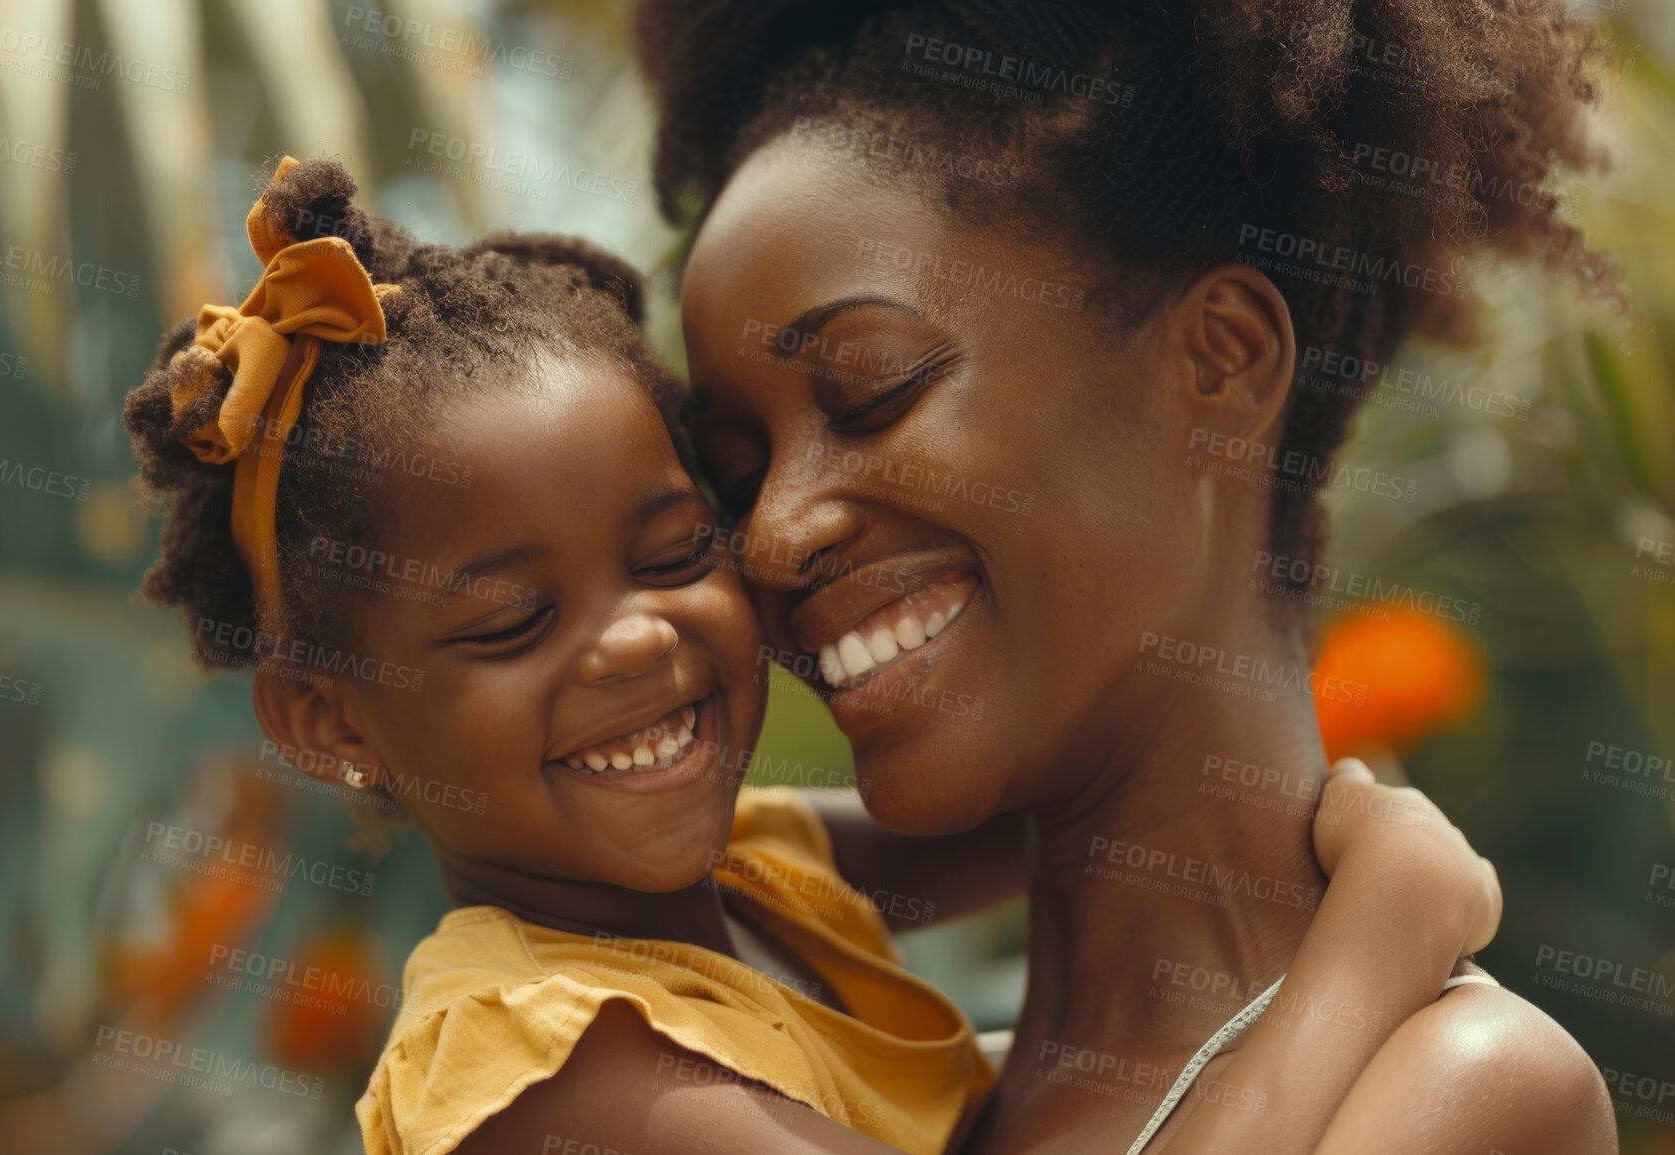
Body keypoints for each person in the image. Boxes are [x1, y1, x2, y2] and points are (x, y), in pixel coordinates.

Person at [126, 157, 1507, 1155]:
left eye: (678, 547)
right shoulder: (548, 1067)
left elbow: (1072, 776)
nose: (640, 632)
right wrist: (1384, 930)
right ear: (324, 717)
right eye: (509, 623)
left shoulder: (768, 877)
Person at [638, 0, 1622, 1151]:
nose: (772, 539)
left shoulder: (1467, 1091)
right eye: (735, 476)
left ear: (1221, 362)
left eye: (872, 394)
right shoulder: (853, 1108)